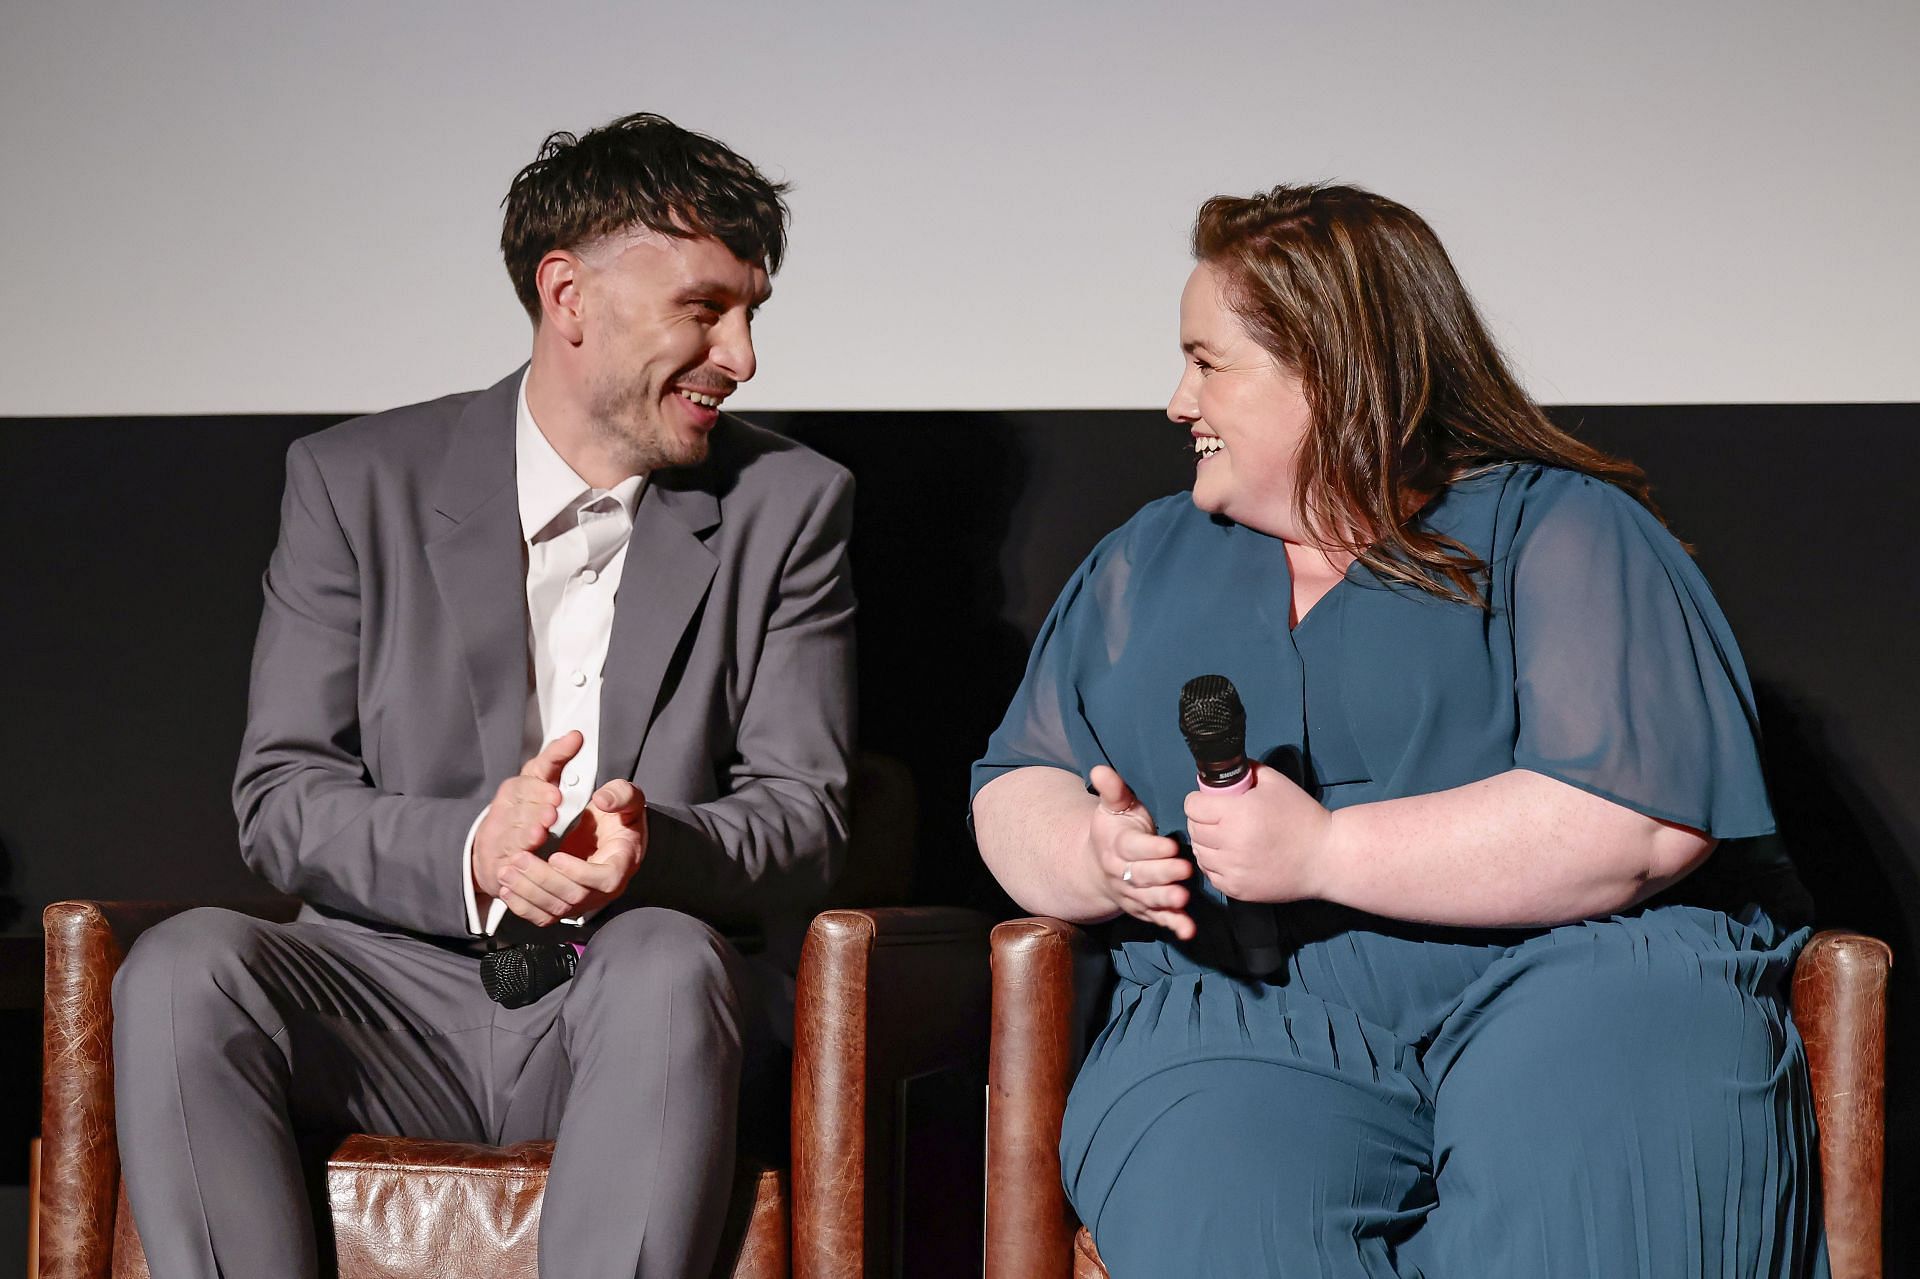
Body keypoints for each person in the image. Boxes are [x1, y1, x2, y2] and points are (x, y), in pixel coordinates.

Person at [971, 184, 1826, 1277]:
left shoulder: (1555, 531)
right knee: (1219, 1182)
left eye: (1207, 361)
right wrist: (1093, 855)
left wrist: (1326, 852)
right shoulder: (1145, 561)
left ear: (1330, 367)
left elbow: (1635, 821)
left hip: (1569, 981)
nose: (1177, 400)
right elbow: (1016, 781)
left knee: (1620, 1118)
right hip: (1245, 1018)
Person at [110, 113, 856, 1279]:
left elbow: (803, 816)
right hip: (390, 992)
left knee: (665, 959)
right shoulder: (352, 483)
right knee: (181, 968)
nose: (744, 355)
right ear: (569, 296)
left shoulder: (790, 506)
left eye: (754, 312)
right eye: (706, 309)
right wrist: (473, 847)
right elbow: (283, 794)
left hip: (627, 998)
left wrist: (651, 850)